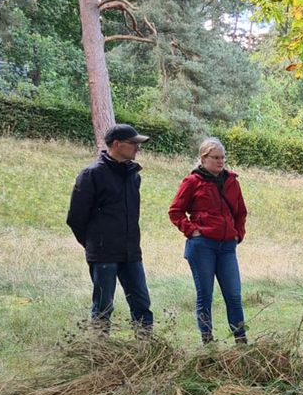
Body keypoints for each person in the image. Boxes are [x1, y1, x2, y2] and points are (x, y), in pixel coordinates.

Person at [66, 124, 154, 336]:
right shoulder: (92, 174)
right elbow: (75, 218)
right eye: (132, 143)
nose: (137, 148)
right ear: (116, 144)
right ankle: (99, 349)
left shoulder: (134, 175)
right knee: (103, 306)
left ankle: (147, 348)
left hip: (131, 252)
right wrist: (94, 243)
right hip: (103, 253)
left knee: (142, 303)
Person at [168, 138, 248, 344]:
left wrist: (238, 234)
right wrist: (191, 231)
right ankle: (208, 342)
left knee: (234, 295)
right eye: (216, 158)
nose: (220, 161)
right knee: (205, 295)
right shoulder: (192, 182)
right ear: (204, 159)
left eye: (223, 157)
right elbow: (175, 211)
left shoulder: (232, 182)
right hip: (202, 245)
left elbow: (241, 212)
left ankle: (241, 341)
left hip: (227, 246)